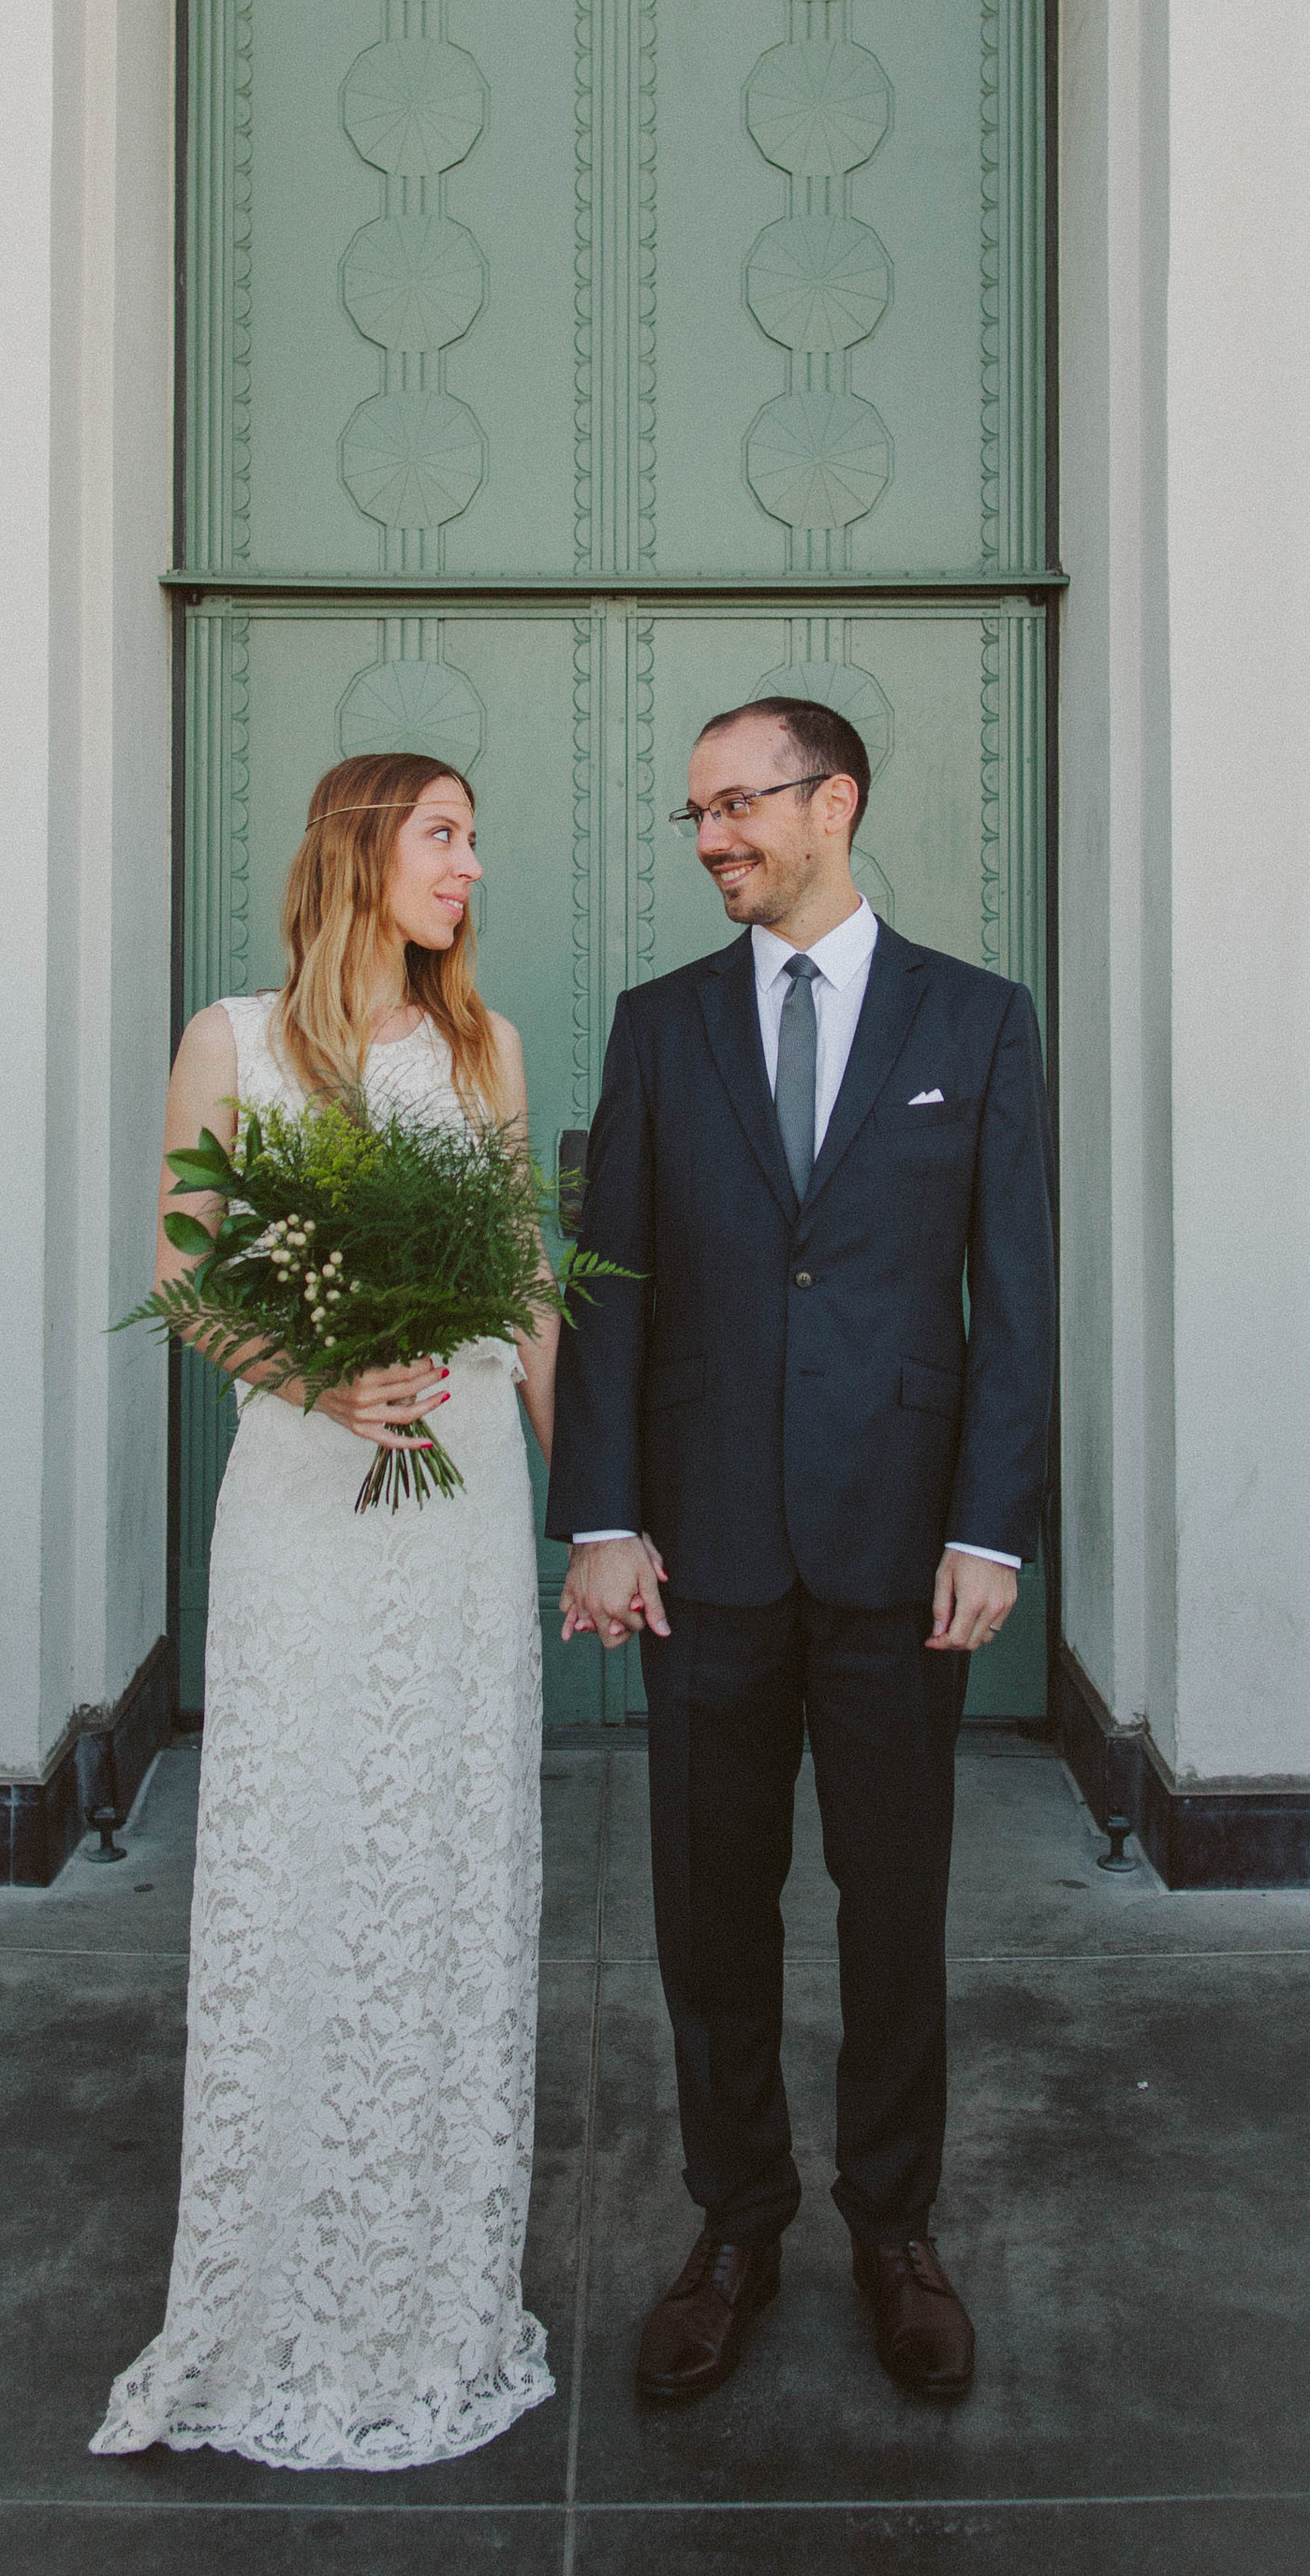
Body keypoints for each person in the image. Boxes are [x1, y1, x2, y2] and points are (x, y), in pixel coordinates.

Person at [548, 697, 1055, 2409]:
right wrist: (604, 1518)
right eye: (693, 814)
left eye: (736, 806)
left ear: (834, 800)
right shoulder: (659, 1027)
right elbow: (608, 1290)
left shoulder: (978, 1020)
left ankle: (895, 2224)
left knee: (894, 1902)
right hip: (702, 1555)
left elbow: (1018, 1300)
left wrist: (993, 1521)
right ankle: (736, 2222)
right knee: (710, 1908)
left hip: (906, 1553)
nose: (709, 840)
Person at [93, 752, 559, 2471]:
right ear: (363, 852)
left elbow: (526, 1281)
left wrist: (593, 1509)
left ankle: (433, 2288)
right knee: (301, 1866)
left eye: (474, 833)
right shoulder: (232, 1038)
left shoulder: (483, 1051)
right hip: (305, 1507)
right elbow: (186, 1274)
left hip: (456, 1528)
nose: (472, 863)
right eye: (446, 832)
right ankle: (271, 2285)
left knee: (438, 1864)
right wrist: (317, 1378)